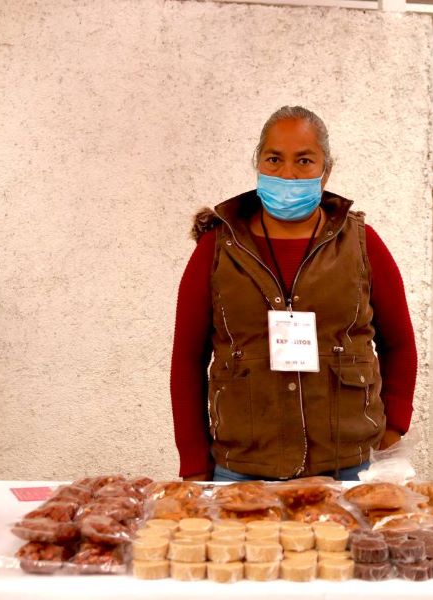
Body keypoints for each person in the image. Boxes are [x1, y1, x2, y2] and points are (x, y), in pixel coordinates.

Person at [170, 106, 417, 482]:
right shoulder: (217, 248)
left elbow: (399, 345)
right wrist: (193, 465)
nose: (288, 173)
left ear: (325, 171)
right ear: (258, 164)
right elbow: (187, 361)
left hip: (349, 468)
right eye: (274, 159)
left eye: (304, 160)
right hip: (242, 469)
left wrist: (393, 428)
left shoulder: (363, 245)